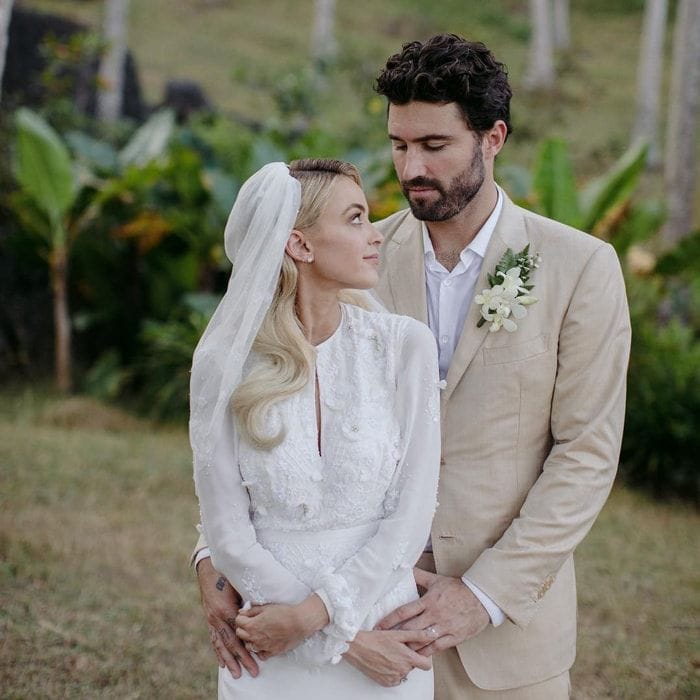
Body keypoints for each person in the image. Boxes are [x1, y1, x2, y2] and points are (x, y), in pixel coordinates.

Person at [195, 34, 631, 699]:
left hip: (503, 639)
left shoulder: (579, 268)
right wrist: (209, 555)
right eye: (400, 146)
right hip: (357, 625)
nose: (411, 168)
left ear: (493, 138)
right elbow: (269, 414)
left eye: (435, 147)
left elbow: (587, 454)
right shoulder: (355, 255)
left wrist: (482, 594)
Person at [189, 158, 442, 699]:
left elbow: (412, 515)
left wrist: (316, 618)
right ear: (300, 245)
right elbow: (227, 533)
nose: (375, 235)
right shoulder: (223, 365)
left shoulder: (404, 347)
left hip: (386, 629)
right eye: (354, 219)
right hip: (269, 646)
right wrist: (337, 638)